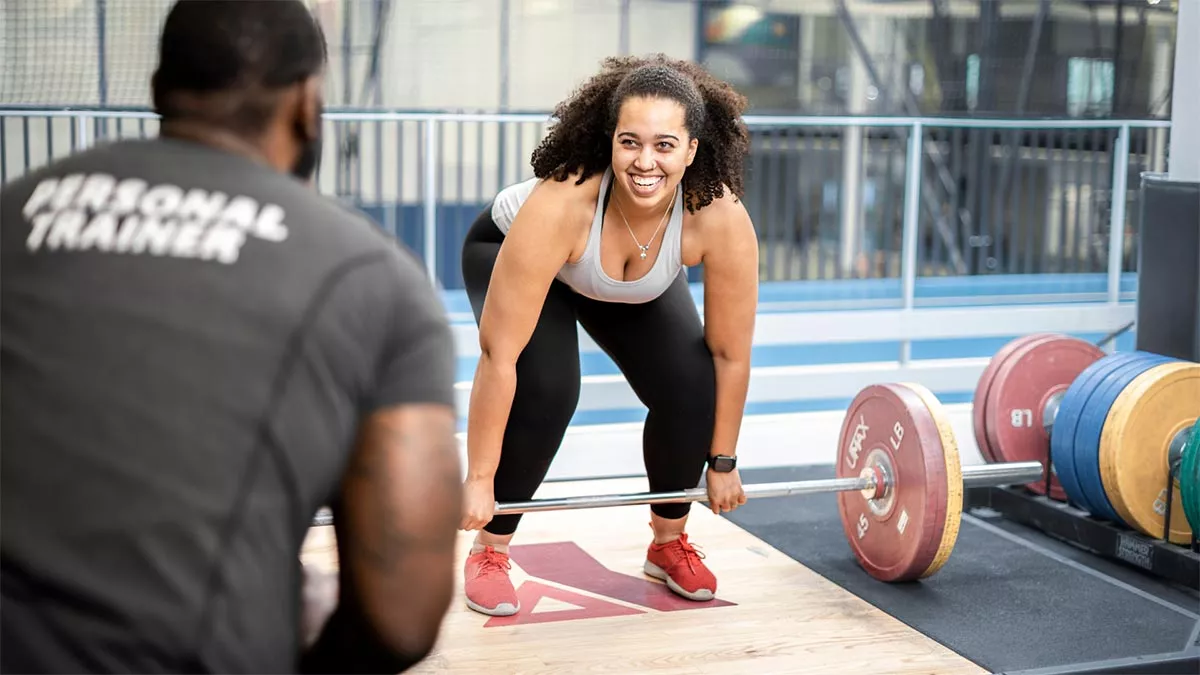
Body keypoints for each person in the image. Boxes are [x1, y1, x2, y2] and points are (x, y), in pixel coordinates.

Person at [0, 1, 462, 673]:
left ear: (161, 91)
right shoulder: (372, 274)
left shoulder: (14, 211)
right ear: (308, 105)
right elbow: (403, 617)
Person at [457, 54, 759, 616]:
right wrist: (479, 479)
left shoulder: (717, 215)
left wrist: (722, 462)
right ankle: (491, 548)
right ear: (610, 141)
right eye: (630, 142)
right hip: (513, 249)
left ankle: (668, 543)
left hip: (627, 272)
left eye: (665, 145)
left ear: (691, 150)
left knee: (692, 383)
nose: (646, 162)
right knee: (547, 389)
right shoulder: (560, 204)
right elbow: (500, 358)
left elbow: (729, 353)